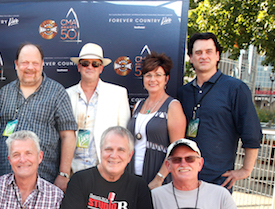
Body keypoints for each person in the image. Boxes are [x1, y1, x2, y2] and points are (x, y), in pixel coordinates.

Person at [177, 32, 262, 189]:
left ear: (217, 55)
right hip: (184, 176)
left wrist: (245, 170)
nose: (204, 56)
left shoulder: (235, 88)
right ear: (191, 57)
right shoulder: (183, 93)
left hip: (218, 180)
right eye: (198, 52)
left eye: (209, 51)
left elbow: (251, 132)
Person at [0, 43, 76, 191]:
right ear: (16, 64)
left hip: (44, 183)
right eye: (25, 63)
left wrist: (64, 174)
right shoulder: (3, 94)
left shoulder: (57, 93)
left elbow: (68, 135)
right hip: (5, 183)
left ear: (42, 64)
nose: (30, 67)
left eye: (35, 63)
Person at [67, 43, 131, 174]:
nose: (90, 67)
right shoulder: (66, 95)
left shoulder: (118, 94)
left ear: (101, 68)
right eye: (85, 63)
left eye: (95, 64)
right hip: (73, 170)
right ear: (79, 67)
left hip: (105, 170)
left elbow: (124, 137)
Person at [127, 52, 186, 189]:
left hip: (157, 177)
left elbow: (176, 148)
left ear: (166, 79)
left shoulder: (173, 106)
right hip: (132, 176)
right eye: (148, 75)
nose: (152, 79)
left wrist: (159, 178)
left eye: (158, 75)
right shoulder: (138, 105)